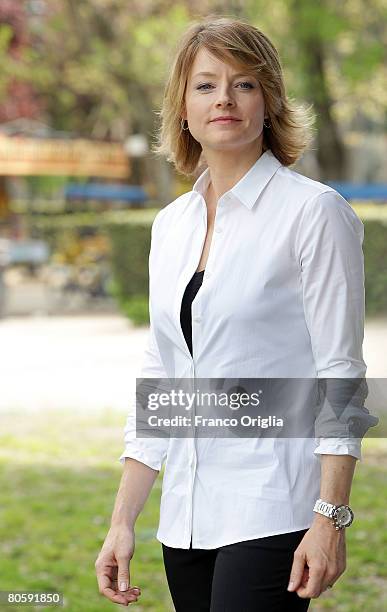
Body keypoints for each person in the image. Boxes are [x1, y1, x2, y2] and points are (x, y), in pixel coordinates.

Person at [95, 16, 371, 610]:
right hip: (187, 513)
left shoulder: (314, 214)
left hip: (275, 504)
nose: (225, 98)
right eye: (206, 84)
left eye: (245, 84)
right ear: (183, 107)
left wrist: (330, 517)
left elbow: (341, 373)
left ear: (269, 102)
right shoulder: (171, 226)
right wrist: (123, 520)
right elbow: (163, 375)